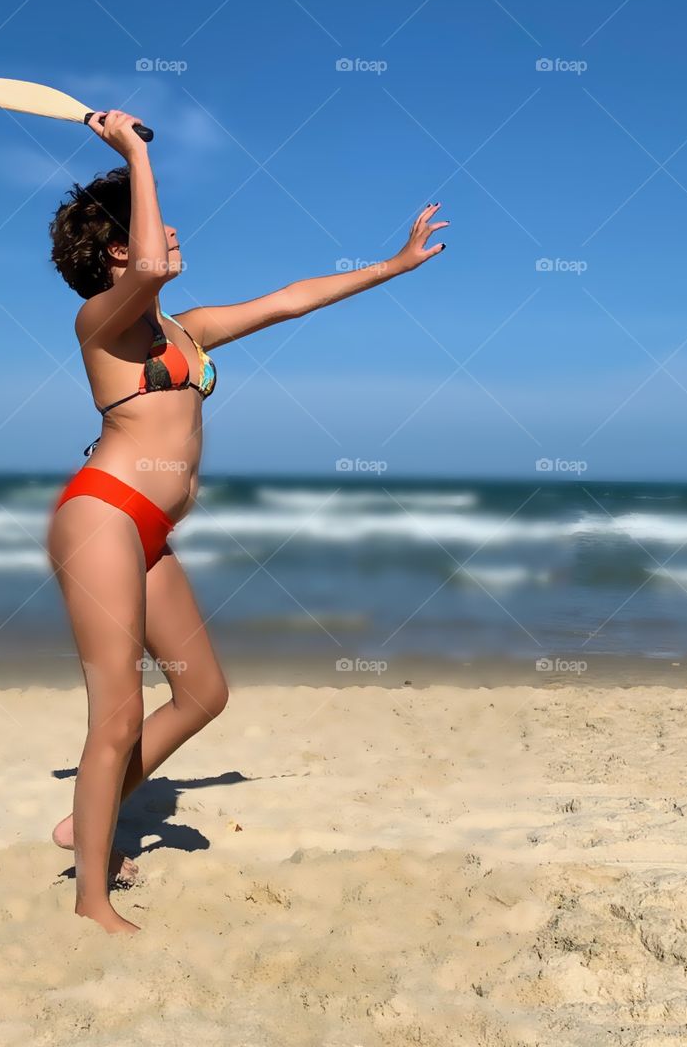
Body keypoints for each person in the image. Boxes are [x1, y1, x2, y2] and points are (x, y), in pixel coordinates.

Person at [46, 109, 449, 933]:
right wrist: (130, 151)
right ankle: (92, 899)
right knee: (117, 714)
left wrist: (393, 266)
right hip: (100, 516)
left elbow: (287, 301)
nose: (171, 235)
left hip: (149, 532)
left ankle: (83, 821)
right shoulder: (101, 322)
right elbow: (153, 264)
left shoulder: (182, 331)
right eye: (148, 229)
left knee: (202, 693)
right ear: (118, 250)